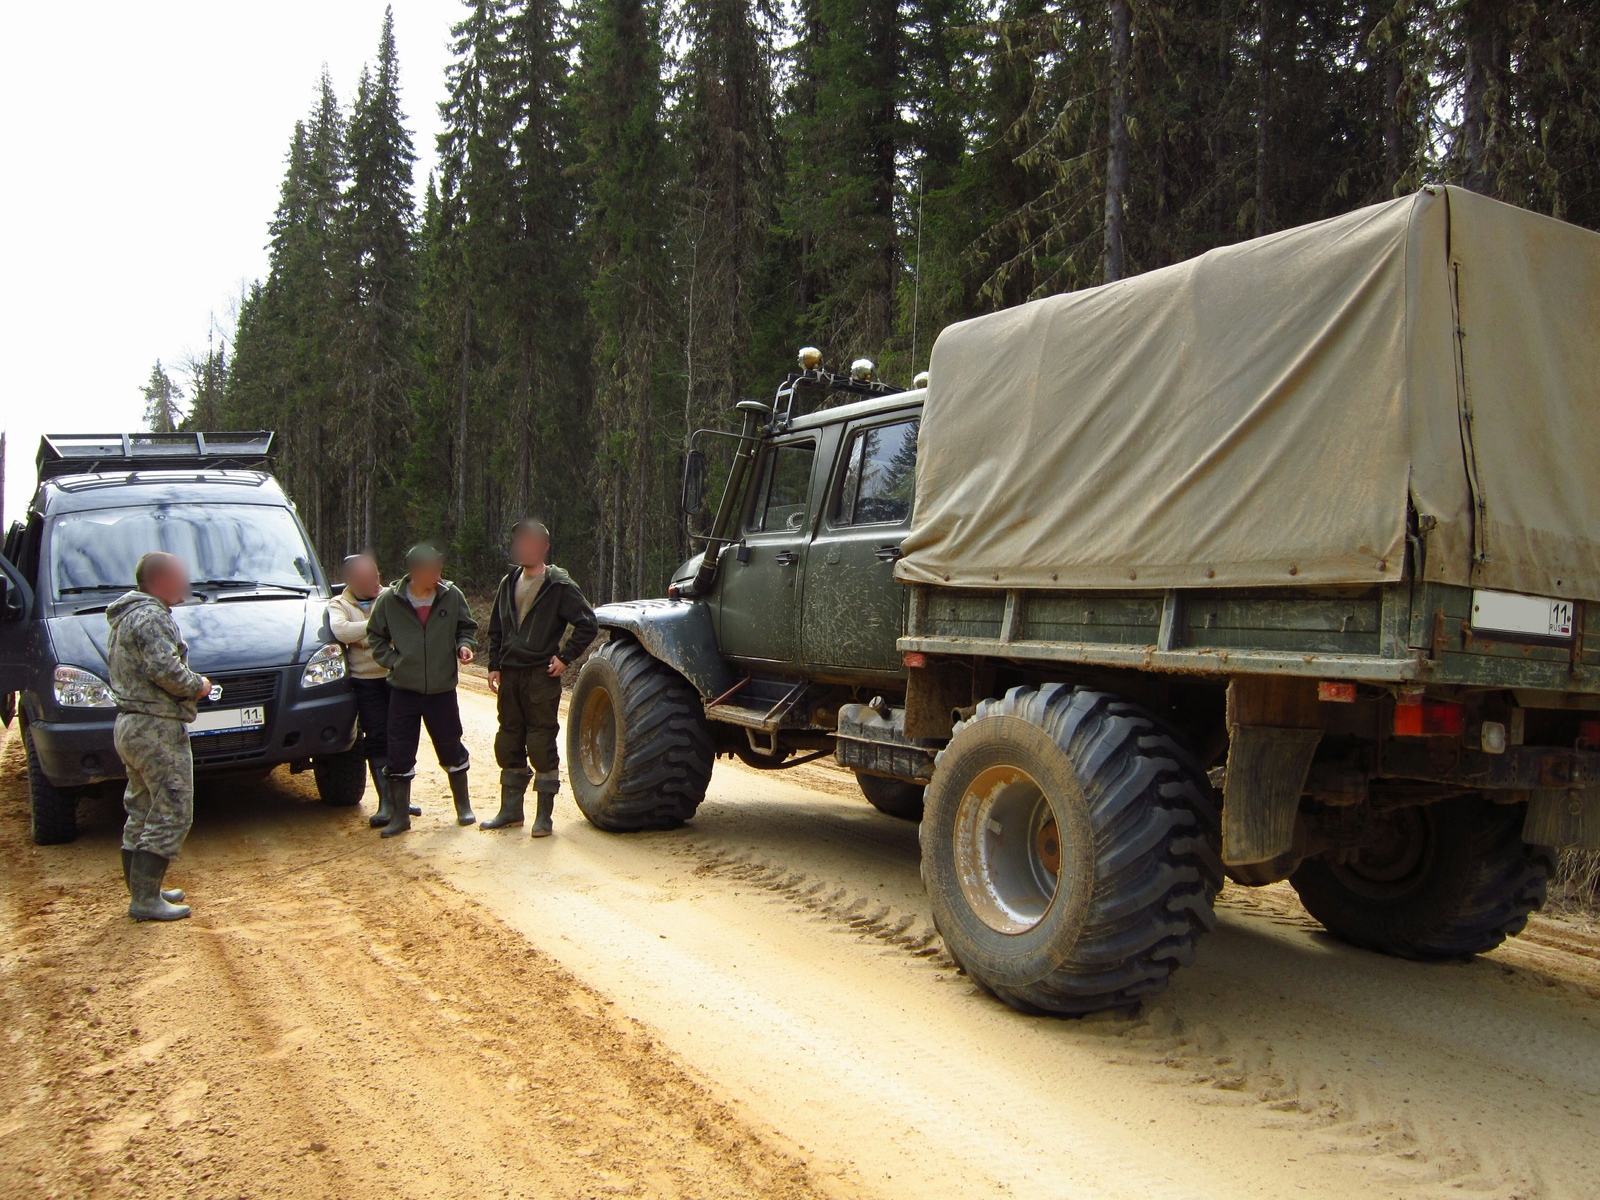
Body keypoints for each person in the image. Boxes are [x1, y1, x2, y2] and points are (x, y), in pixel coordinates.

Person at [105, 552, 212, 921]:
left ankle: (144, 890)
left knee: (143, 808)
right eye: (179, 577)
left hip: (133, 724)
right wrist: (199, 685)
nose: (186, 583)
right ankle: (145, 899)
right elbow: (164, 669)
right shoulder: (151, 616)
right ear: (160, 581)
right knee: (172, 810)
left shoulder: (128, 615)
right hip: (155, 726)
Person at [483, 519, 598, 838]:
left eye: (531, 541)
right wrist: (494, 665)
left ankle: (543, 817)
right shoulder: (508, 582)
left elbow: (587, 623)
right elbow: (496, 629)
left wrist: (564, 658)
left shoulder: (558, 584)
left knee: (540, 742)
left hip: (540, 676)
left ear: (544, 548)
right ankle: (510, 812)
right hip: (510, 675)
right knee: (508, 740)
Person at [365, 544, 478, 837]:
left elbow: (466, 627)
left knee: (451, 746)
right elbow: (375, 636)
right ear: (415, 571)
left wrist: (465, 645)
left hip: (442, 690)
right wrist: (393, 662)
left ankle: (463, 807)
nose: (438, 573)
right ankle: (400, 817)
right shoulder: (390, 600)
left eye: (439, 567)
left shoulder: (451, 596)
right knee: (399, 752)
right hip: (403, 689)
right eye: (432, 568)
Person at [327, 552, 419, 828]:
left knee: (401, 737)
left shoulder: (392, 595)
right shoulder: (338, 603)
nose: (374, 582)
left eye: (376, 575)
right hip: (365, 682)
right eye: (367, 578)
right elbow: (341, 632)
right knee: (376, 738)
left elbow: (406, 626)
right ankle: (386, 803)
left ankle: (402, 801)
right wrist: (380, 624)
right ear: (351, 580)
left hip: (396, 677)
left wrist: (364, 636)